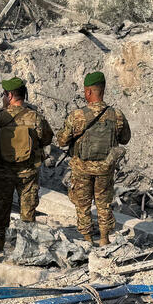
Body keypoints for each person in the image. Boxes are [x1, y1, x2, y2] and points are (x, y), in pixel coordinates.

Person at [55, 71, 131, 246]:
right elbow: (125, 139)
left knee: (82, 205)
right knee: (103, 204)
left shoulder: (77, 116)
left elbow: (61, 140)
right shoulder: (116, 115)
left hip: (82, 168)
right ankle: (104, 238)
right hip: (105, 168)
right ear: (103, 90)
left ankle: (88, 239)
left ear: (88, 92)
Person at [0, 77, 53, 253]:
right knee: (28, 209)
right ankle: (26, 248)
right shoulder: (35, 117)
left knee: (1, 206)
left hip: (2, 171)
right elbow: (47, 138)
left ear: (9, 95)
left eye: (4, 95)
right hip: (28, 172)